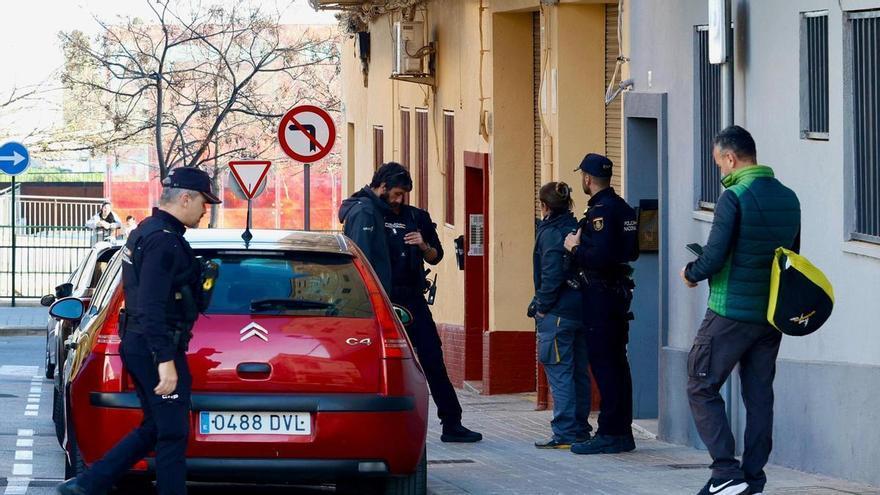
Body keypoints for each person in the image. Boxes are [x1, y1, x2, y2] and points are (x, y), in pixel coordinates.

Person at [57, 167, 222, 495]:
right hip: (155, 346)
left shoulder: (148, 230)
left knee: (156, 426)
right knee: (172, 432)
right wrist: (164, 359)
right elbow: (150, 304)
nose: (206, 210)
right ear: (185, 198)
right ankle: (92, 483)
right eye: (204, 202)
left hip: (140, 342)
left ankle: (90, 483)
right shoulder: (164, 241)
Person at [681, 126, 800, 495]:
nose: (720, 171)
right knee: (759, 396)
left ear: (730, 158)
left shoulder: (734, 196)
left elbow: (715, 256)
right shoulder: (789, 197)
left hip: (729, 311)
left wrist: (691, 272)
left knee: (700, 383)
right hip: (770, 316)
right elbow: (791, 258)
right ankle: (752, 478)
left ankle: (725, 475)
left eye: (719, 163)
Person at [339, 162, 482, 443]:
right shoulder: (363, 212)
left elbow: (436, 256)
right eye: (395, 193)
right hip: (379, 301)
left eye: (404, 194)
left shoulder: (416, 217)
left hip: (413, 300)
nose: (400, 199)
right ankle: (371, 425)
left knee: (432, 359)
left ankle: (452, 422)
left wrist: (423, 245)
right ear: (381, 186)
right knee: (376, 361)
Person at [563, 153, 639, 455]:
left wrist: (575, 248)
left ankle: (610, 432)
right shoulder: (622, 208)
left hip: (601, 294)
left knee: (606, 364)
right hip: (617, 294)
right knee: (618, 363)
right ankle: (621, 430)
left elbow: (601, 258)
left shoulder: (601, 213)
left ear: (587, 179)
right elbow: (630, 252)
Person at [530, 182, 593, 450]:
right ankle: (579, 429)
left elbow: (551, 273)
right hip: (580, 310)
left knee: (559, 372)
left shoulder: (551, 234)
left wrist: (542, 305)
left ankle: (565, 431)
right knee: (578, 372)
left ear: (544, 206)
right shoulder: (575, 227)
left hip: (557, 313)